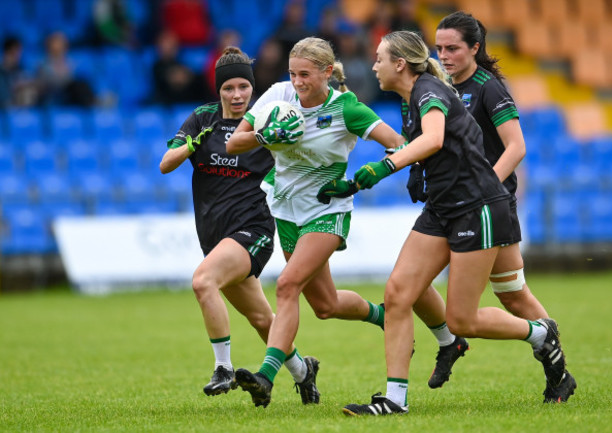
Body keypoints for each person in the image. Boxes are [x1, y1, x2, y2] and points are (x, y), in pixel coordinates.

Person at [334, 31, 575, 416]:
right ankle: (394, 401)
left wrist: (386, 166)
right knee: (398, 293)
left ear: (400, 64)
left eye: (379, 58)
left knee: (464, 317)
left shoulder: (429, 90)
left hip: (476, 207)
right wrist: (369, 178)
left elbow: (432, 139)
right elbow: (424, 147)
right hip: (443, 208)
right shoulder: (409, 99)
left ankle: (540, 333)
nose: (374, 64)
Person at [226, 36, 451, 409]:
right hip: (285, 210)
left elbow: (399, 143)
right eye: (293, 74)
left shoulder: (346, 108)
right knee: (325, 305)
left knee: (286, 286)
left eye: (306, 75)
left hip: (327, 211)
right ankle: (383, 316)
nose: (297, 83)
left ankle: (266, 376)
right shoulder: (278, 96)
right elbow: (235, 144)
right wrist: (265, 135)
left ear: (327, 73)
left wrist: (363, 177)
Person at [159, 46, 318, 404]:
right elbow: (166, 164)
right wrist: (189, 146)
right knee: (262, 319)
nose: (237, 95)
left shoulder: (267, 119)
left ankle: (223, 368)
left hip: (253, 228)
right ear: (218, 90)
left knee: (203, 281)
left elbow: (303, 154)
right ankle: (304, 373)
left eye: (243, 87)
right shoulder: (202, 119)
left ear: (252, 87)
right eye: (229, 88)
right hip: (214, 235)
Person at [433, 11, 577, 400]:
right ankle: (557, 369)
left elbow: (516, 147)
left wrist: (484, 187)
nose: (443, 55)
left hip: (486, 205)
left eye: (453, 48)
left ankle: (550, 361)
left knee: (510, 296)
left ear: (475, 48)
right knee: (513, 293)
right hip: (468, 204)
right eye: (439, 48)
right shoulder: (445, 86)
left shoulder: (489, 88)